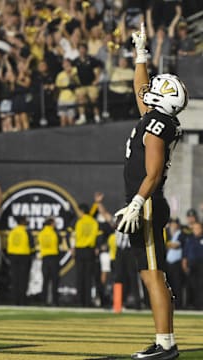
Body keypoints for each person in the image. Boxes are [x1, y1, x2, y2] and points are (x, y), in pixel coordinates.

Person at [115, 23, 188, 360]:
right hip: (142, 203)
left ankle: (167, 345)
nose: (149, 89)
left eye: (156, 88)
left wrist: (136, 202)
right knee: (149, 274)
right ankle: (163, 341)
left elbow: (154, 172)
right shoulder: (155, 117)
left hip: (145, 203)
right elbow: (140, 88)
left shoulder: (159, 125)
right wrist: (141, 55)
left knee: (154, 275)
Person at [71, 203, 99, 307]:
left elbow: (75, 236)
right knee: (88, 277)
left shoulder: (79, 222)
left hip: (80, 250)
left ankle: (79, 301)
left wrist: (73, 249)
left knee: (79, 276)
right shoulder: (93, 222)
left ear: (82, 211)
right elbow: (96, 236)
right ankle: (87, 301)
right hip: (90, 251)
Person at [6, 216, 34, 306]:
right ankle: (22, 300)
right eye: (26, 220)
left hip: (13, 256)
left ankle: (14, 300)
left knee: (15, 279)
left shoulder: (13, 231)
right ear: (22, 221)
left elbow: (8, 243)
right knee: (23, 279)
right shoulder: (26, 231)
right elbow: (32, 246)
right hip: (24, 256)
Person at [37, 217, 61, 306]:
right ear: (51, 223)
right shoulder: (54, 232)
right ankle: (55, 301)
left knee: (45, 281)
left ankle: (44, 301)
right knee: (55, 280)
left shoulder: (41, 233)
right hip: (54, 257)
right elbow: (59, 241)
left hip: (45, 258)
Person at [182, 222, 203, 310]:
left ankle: (200, 304)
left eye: (198, 228)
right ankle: (190, 304)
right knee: (191, 285)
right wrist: (184, 264)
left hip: (201, 264)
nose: (196, 230)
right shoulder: (189, 239)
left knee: (200, 285)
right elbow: (185, 254)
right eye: (194, 228)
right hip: (192, 264)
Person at [165, 218, 185, 309]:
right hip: (169, 263)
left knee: (177, 284)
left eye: (174, 224)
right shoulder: (169, 234)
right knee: (170, 284)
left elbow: (176, 245)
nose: (173, 226)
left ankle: (179, 304)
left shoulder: (180, 234)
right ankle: (170, 303)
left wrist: (165, 243)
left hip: (176, 262)